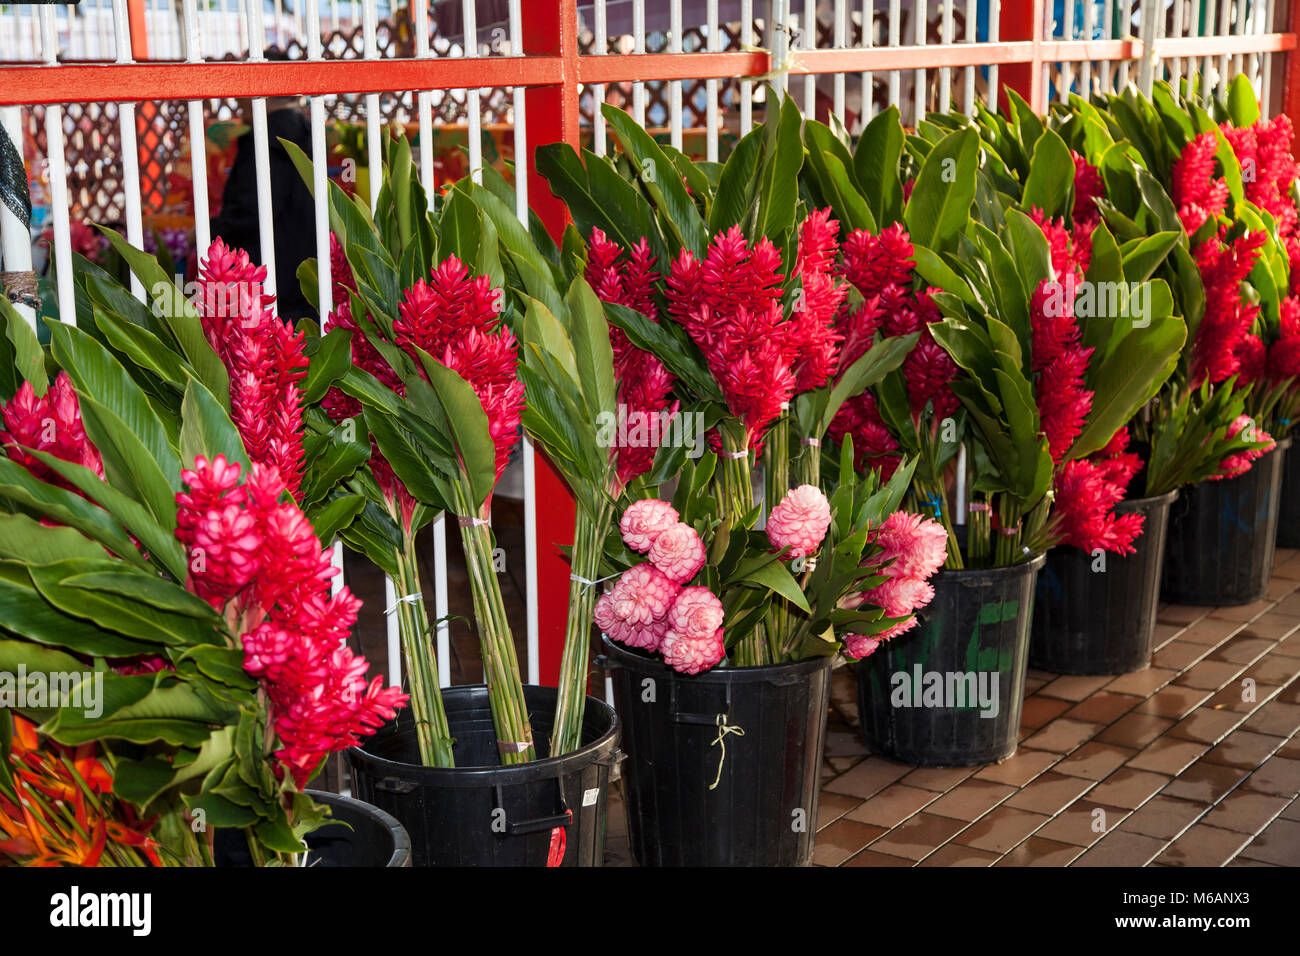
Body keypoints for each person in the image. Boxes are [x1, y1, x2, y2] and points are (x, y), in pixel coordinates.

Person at [210, 48, 318, 322]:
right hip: (310, 282)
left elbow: (250, 212)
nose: (236, 97)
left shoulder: (265, 139)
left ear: (262, 90)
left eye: (242, 84)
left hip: (270, 288)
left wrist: (208, 233)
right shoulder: (311, 132)